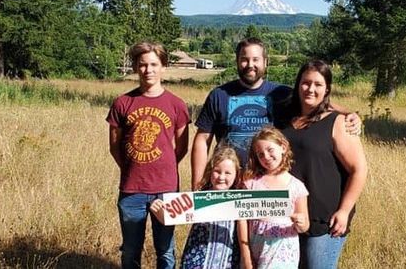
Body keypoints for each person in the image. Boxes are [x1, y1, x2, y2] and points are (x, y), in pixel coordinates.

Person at [191, 37, 361, 191]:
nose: (250, 64)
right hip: (226, 183)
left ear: (266, 62)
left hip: (267, 187)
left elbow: (317, 100)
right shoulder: (219, 95)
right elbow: (202, 140)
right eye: (244, 59)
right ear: (237, 61)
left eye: (256, 59)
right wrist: (197, 184)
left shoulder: (281, 93)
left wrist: (349, 114)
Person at [106, 41, 190, 269]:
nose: (148, 70)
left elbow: (182, 147)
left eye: (154, 64)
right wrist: (133, 168)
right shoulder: (123, 103)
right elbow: (115, 146)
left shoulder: (176, 104)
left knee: (166, 250)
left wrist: (164, 166)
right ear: (135, 67)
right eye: (142, 65)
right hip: (132, 189)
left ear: (163, 66)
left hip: (166, 189)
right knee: (131, 250)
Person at [281, 60, 368, 269]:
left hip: (325, 219)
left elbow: (359, 170)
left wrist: (344, 211)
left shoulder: (337, 123)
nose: (310, 89)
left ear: (327, 89)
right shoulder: (284, 117)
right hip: (288, 216)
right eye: (305, 83)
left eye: (318, 84)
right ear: (298, 84)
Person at [150, 146, 241, 269]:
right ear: (210, 171)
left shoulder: (241, 200)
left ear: (236, 175)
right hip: (198, 258)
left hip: (227, 260)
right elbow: (170, 218)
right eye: (217, 171)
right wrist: (159, 210)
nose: (221, 177)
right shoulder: (198, 198)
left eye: (228, 173)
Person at [237, 126, 309, 269]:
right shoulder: (251, 184)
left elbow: (305, 225)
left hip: (283, 251)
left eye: (270, 150)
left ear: (282, 147)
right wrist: (245, 254)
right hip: (255, 249)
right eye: (260, 154)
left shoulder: (296, 187)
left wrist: (301, 223)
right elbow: (242, 220)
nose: (266, 157)